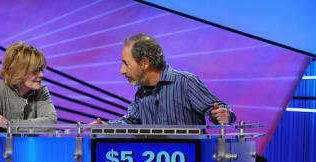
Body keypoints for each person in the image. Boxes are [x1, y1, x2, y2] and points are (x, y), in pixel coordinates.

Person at [93, 33, 235, 125]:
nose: (122, 71)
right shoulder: (141, 92)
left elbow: (218, 109)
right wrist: (106, 126)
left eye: (126, 64)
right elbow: (131, 121)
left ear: (144, 63)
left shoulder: (185, 82)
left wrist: (224, 115)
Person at [0, 42, 57, 124]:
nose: (41, 75)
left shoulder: (41, 89)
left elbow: (50, 121)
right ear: (19, 71)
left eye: (41, 69)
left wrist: (11, 125)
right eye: (35, 71)